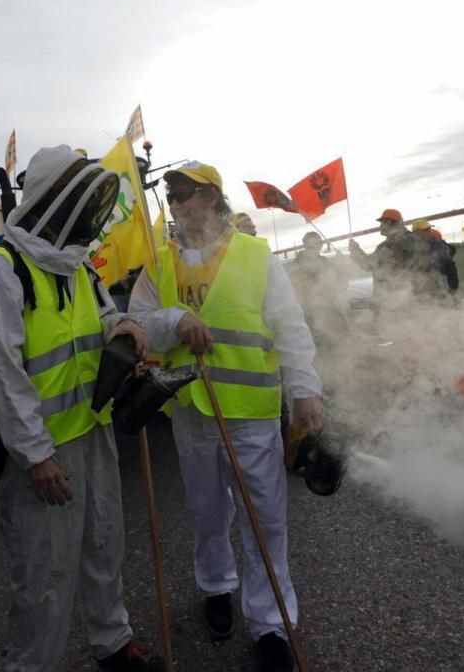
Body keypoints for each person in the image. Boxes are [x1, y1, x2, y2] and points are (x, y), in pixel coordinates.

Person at [0, 146, 163, 672]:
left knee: (104, 544)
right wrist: (35, 456)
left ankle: (112, 642)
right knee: (45, 577)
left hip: (92, 434)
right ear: (50, 200)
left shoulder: (79, 268)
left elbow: (101, 322)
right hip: (41, 458)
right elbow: (0, 374)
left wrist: (126, 328)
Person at [129, 161, 325, 672]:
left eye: (188, 195)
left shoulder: (256, 256)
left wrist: (306, 393)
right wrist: (175, 320)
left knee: (266, 519)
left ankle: (271, 624)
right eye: (172, 197)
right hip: (191, 409)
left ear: (214, 198)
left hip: (250, 411)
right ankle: (216, 586)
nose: (178, 205)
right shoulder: (160, 262)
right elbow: (140, 321)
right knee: (206, 510)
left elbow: (290, 325)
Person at [349, 208, 441, 306]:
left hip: (393, 302)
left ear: (389, 223)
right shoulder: (416, 240)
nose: (380, 227)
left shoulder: (388, 246)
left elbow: (367, 264)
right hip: (418, 299)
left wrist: (355, 250)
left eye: (382, 223)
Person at [412, 219, 458, 295]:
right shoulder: (411, 247)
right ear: (416, 233)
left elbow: (450, 267)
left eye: (428, 229)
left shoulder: (439, 246)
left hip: (439, 289)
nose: (428, 232)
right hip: (418, 291)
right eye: (425, 230)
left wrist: (453, 286)